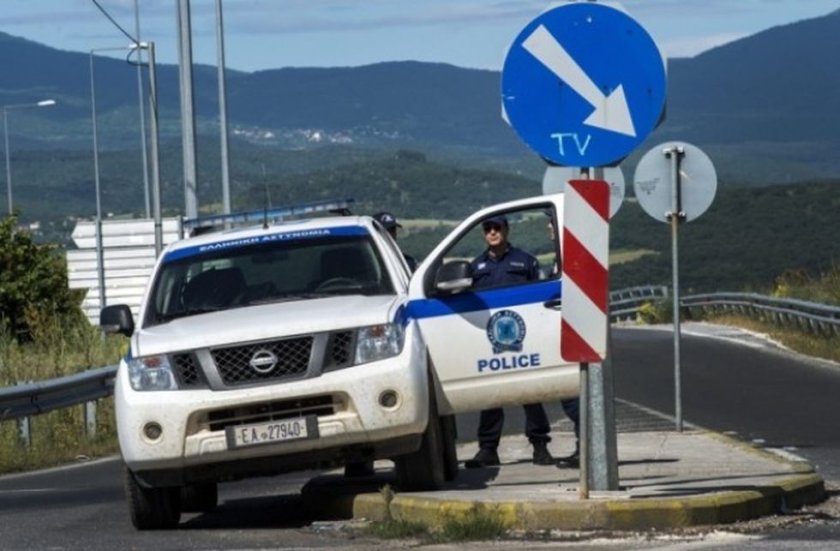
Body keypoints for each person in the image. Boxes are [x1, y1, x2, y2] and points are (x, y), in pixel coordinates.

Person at [465, 214, 556, 468]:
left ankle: (540, 446)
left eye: (497, 227)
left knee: (529, 392)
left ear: (507, 230)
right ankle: (488, 450)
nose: (492, 232)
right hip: (490, 337)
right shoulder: (476, 267)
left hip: (523, 336)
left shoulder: (525, 261)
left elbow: (540, 297)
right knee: (492, 394)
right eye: (488, 229)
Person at [544, 211, 581, 468]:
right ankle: (587, 447)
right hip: (563, 336)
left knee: (575, 399)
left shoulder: (574, 257)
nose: (549, 227)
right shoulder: (560, 259)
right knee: (572, 398)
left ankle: (588, 448)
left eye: (552, 222)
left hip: (576, 336)